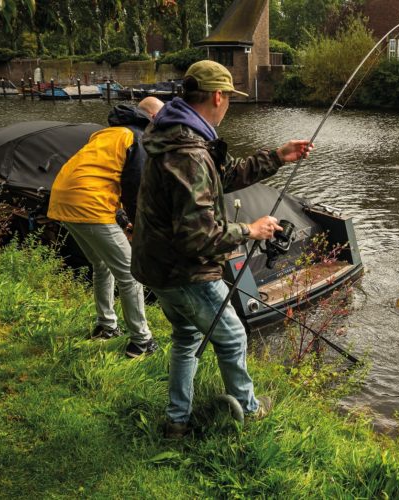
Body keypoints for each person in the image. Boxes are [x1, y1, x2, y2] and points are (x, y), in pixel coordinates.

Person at [131, 60, 313, 437]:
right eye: (228, 97)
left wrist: (278, 156)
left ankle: (176, 420)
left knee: (186, 337)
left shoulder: (177, 133)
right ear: (218, 96)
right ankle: (249, 411)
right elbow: (197, 237)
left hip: (157, 265)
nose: (228, 103)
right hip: (184, 271)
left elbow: (222, 177)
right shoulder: (189, 152)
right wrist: (251, 229)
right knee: (232, 336)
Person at [48, 97, 165, 358]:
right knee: (131, 273)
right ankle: (141, 342)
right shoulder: (138, 138)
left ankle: (106, 326)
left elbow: (106, 180)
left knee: (101, 265)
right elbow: (135, 186)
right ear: (153, 119)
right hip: (90, 205)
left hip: (63, 199)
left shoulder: (108, 134)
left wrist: (123, 220)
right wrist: (138, 227)